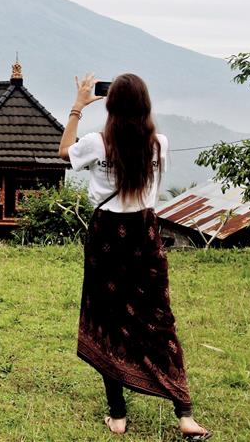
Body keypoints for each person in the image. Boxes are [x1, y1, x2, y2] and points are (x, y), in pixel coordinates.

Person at [59, 73, 212, 440]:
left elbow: (64, 151)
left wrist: (79, 105)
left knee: (109, 319)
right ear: (146, 105)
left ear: (109, 104)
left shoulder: (97, 143)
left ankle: (118, 415)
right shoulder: (159, 143)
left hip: (107, 239)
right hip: (144, 237)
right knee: (159, 320)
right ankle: (185, 414)